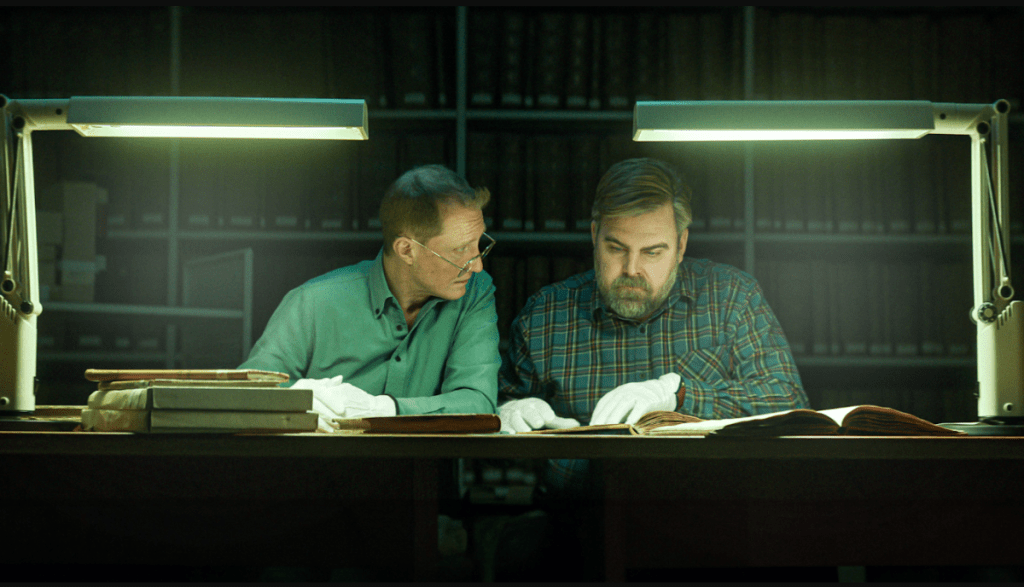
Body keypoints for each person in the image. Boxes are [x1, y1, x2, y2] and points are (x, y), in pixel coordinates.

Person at [498, 157, 809, 491]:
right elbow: (495, 429)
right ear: (594, 234)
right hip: (581, 519)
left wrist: (678, 395)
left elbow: (790, 404)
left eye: (652, 252)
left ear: (680, 246)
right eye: (616, 247)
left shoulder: (733, 297)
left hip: (711, 512)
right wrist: (506, 413)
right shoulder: (545, 315)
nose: (631, 268)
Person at [240, 164, 501, 424]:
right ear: (406, 250)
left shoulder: (475, 292)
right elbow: (246, 395)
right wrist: (295, 400)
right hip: (323, 462)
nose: (477, 265)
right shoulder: (312, 303)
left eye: (479, 243)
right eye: (460, 250)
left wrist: (382, 408)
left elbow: (478, 402)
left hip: (421, 464)